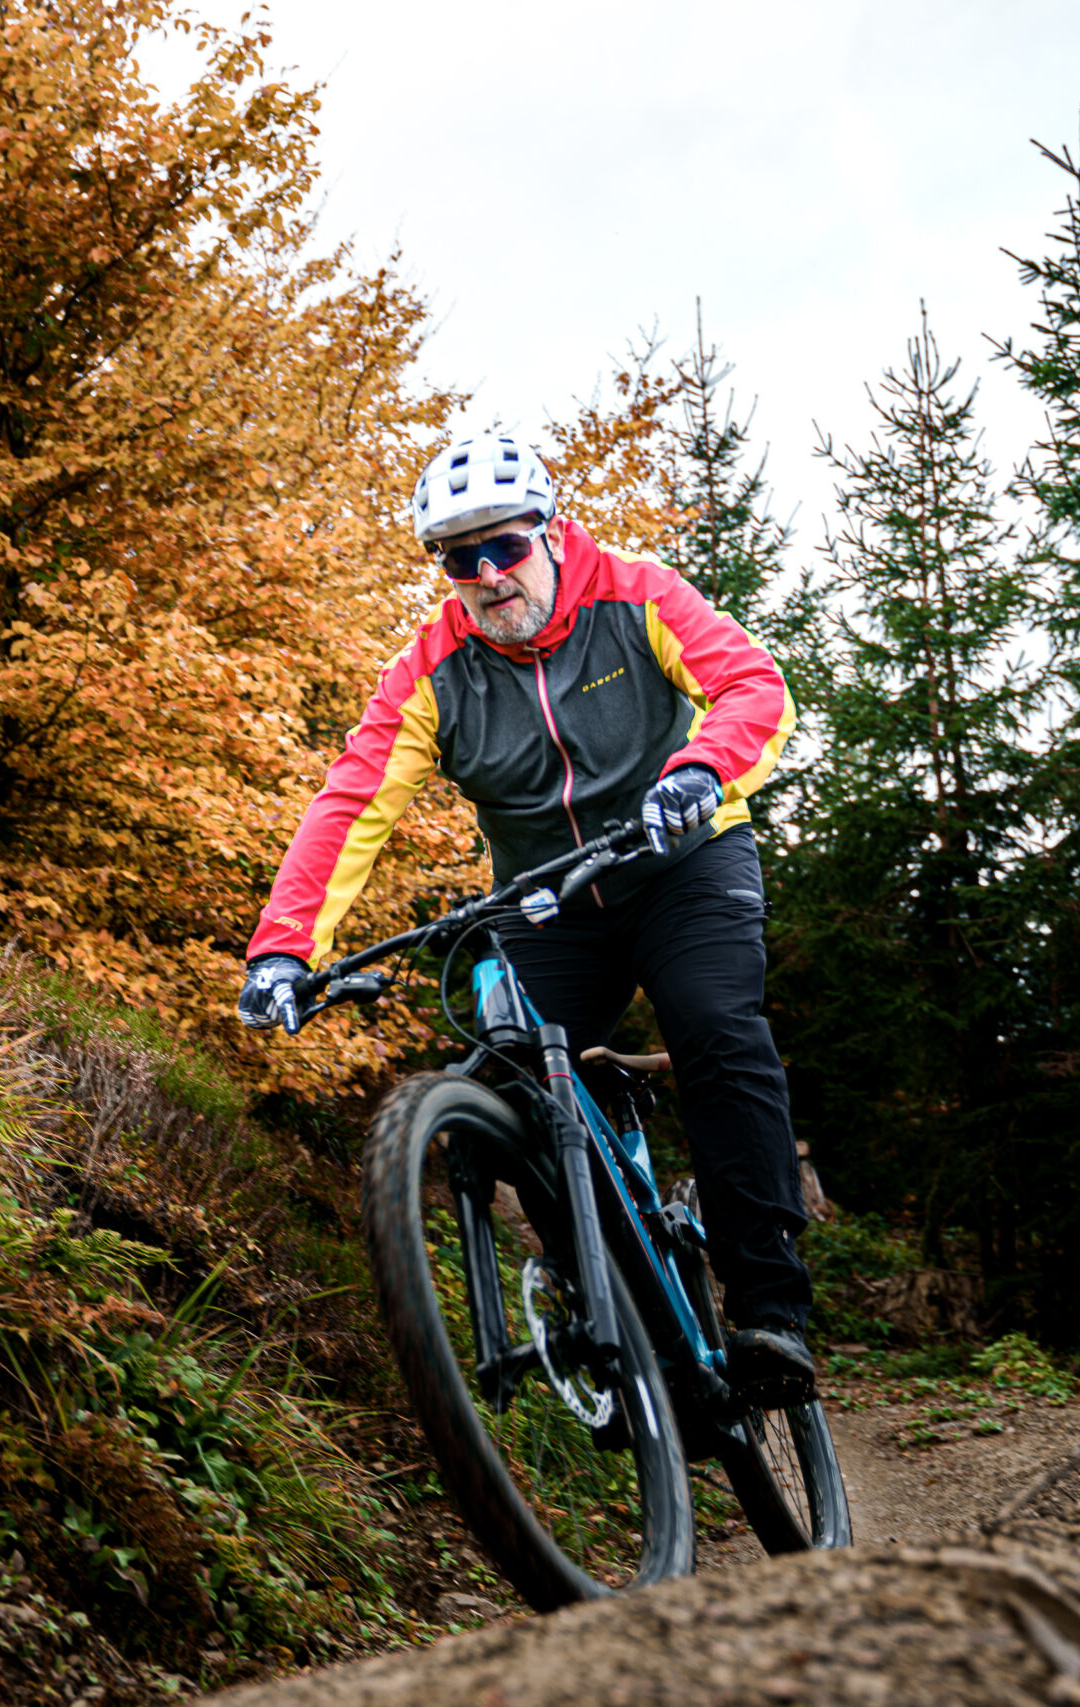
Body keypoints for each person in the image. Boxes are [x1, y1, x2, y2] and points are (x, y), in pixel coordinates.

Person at [235, 431, 817, 1402]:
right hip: (549, 905)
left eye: (504, 547)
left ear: (549, 532)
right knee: (505, 1094)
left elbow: (752, 687)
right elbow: (350, 802)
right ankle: (615, 1317)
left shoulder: (636, 595)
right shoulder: (433, 670)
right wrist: (283, 951)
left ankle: (768, 1310)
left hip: (682, 861)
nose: (488, 576)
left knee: (715, 1027)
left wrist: (699, 771)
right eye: (461, 561)